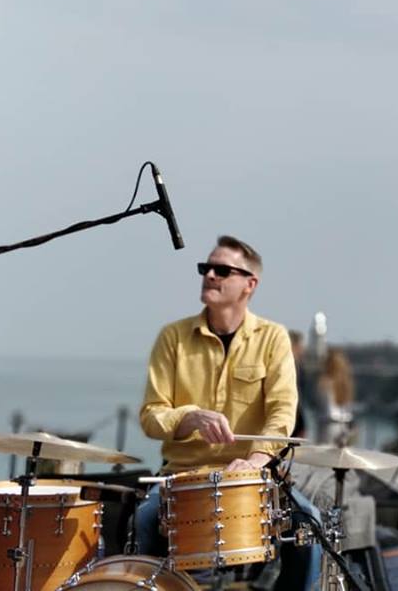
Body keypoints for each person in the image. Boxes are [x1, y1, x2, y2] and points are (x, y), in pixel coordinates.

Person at [137, 235, 319, 585]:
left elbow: (283, 413)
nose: (210, 276)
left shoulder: (273, 337)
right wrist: (189, 416)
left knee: (308, 526)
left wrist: (255, 461)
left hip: (256, 478)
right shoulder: (171, 337)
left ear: (250, 284)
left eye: (222, 270)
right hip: (182, 477)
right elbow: (150, 414)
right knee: (144, 521)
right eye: (206, 268)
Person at [315, 347, 355, 445]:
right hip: (345, 426)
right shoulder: (346, 383)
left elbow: (327, 409)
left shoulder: (325, 382)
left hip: (328, 426)